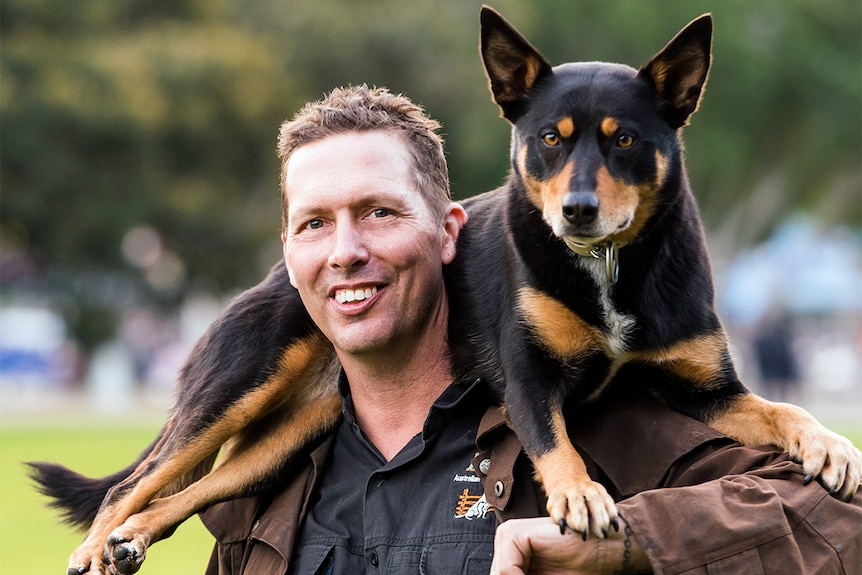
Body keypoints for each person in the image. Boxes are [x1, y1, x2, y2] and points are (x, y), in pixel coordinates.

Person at [199, 85, 861, 575]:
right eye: (315, 223)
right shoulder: (271, 486)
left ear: (450, 231)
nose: (346, 250)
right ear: (287, 251)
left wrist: (624, 543)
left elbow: (844, 521)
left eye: (379, 213)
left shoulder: (600, 426)